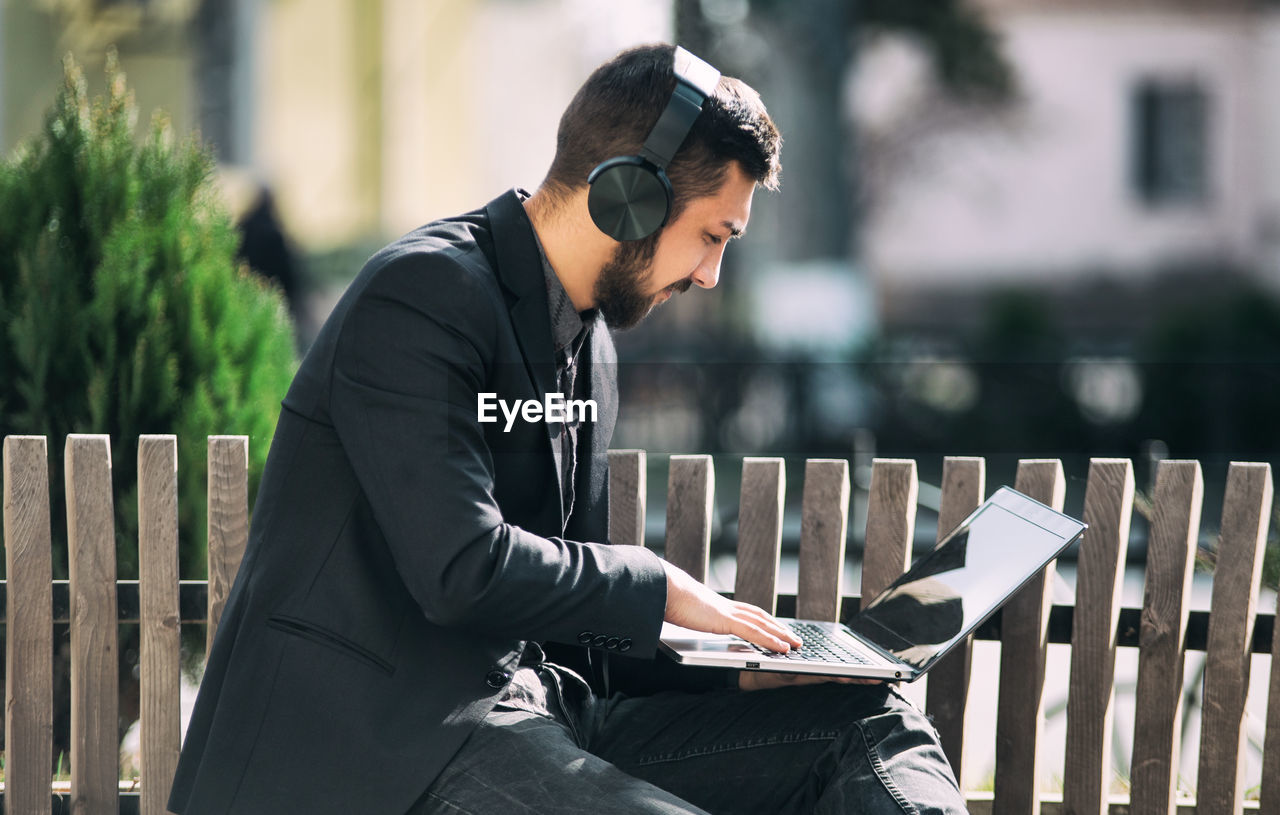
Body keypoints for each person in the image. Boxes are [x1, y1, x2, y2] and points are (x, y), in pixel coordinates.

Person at [168, 44, 967, 815]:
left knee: (871, 727)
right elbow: (462, 567)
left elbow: (575, 627)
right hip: (381, 752)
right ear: (630, 197)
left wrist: (739, 675)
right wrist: (660, 583)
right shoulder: (420, 297)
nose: (709, 274)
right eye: (713, 237)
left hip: (536, 716)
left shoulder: (592, 347)